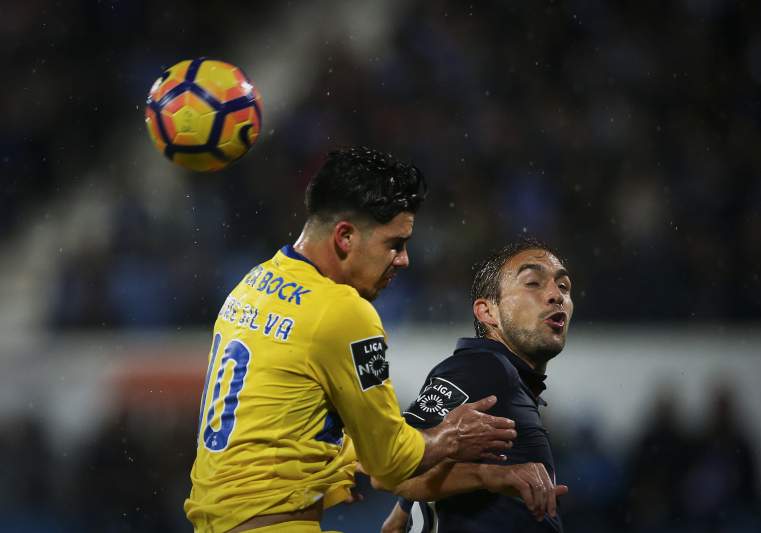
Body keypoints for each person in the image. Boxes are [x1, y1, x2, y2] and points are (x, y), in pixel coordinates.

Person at [184, 147, 519, 533]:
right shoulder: (343, 312)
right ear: (345, 236)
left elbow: (269, 417)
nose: (404, 259)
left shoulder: (251, 285)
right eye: (394, 244)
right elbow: (390, 460)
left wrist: (335, 462)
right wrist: (451, 437)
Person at [379, 238, 573, 533]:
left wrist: (405, 507)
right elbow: (388, 466)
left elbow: (419, 459)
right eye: (533, 283)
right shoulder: (483, 368)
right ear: (487, 312)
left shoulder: (504, 380)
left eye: (564, 287)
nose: (556, 295)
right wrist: (489, 475)